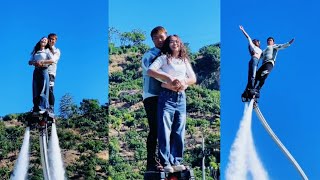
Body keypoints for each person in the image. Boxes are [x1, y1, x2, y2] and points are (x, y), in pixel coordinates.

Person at [147, 35, 197, 173]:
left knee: (179, 130)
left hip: (181, 97)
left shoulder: (184, 60)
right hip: (166, 97)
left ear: (181, 44)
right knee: (165, 129)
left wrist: (183, 82)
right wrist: (169, 78)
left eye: (177, 41)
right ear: (168, 44)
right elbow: (150, 71)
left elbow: (193, 78)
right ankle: (165, 162)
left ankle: (176, 161)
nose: (175, 44)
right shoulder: (163, 58)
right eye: (172, 42)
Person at [142, 26, 167, 171]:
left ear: (166, 36)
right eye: (156, 38)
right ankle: (151, 162)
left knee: (166, 129)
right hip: (151, 96)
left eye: (161, 37)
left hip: (166, 96)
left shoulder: (170, 54)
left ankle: (165, 160)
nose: (159, 40)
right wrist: (170, 81)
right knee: (155, 129)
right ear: (152, 40)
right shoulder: (149, 55)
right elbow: (152, 72)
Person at [28, 37, 54, 115]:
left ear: (46, 43)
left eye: (45, 40)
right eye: (42, 39)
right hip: (36, 70)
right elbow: (29, 62)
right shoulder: (36, 52)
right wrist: (34, 62)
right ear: (40, 41)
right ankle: (36, 107)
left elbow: (52, 60)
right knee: (36, 88)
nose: (43, 40)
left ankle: (43, 107)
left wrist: (42, 61)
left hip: (43, 70)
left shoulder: (47, 51)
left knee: (43, 89)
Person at [239, 25, 262, 97]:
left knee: (252, 76)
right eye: (258, 42)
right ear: (255, 42)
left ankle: (246, 91)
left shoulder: (261, 50)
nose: (259, 43)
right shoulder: (253, 46)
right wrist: (243, 30)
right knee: (252, 76)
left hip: (256, 62)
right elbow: (248, 37)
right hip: (254, 60)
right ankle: (251, 89)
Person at [46, 33, 61, 113]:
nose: (51, 40)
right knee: (40, 90)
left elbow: (53, 60)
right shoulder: (44, 49)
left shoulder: (56, 50)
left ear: (55, 41)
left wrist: (41, 62)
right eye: (50, 39)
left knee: (49, 90)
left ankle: (51, 107)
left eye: (53, 39)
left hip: (50, 73)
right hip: (41, 72)